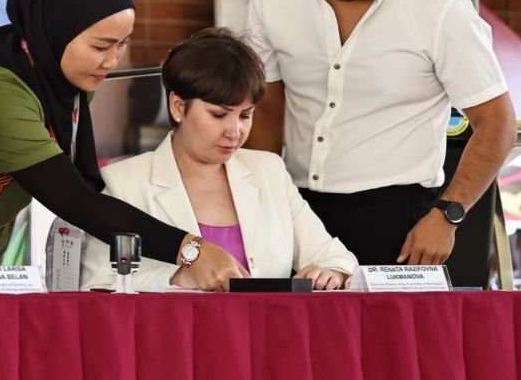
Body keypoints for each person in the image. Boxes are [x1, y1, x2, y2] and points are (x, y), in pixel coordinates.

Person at [245, 0, 516, 267]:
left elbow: (498, 124)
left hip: (400, 220)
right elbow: (267, 107)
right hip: (295, 209)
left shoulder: (441, 9)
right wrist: (260, 205)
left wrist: (448, 215)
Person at [0, 0, 246, 290]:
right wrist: (191, 250)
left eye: (123, 44)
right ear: (57, 30)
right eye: (101, 47)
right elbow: (75, 199)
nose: (112, 61)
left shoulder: (61, 82)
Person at [80, 29, 357, 291]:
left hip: (265, 327)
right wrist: (179, 277)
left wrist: (333, 272)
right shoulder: (122, 183)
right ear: (178, 106)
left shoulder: (268, 171)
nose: (235, 131)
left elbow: (334, 257)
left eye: (245, 115)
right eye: (218, 115)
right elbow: (97, 286)